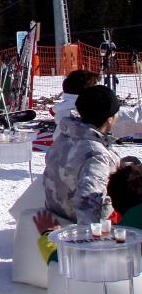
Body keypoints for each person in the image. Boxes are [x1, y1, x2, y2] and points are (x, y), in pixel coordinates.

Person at [42, 85, 122, 224]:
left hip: (57, 209)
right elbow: (87, 200)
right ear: (110, 119)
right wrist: (90, 239)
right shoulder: (97, 155)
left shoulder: (66, 136)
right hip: (86, 222)